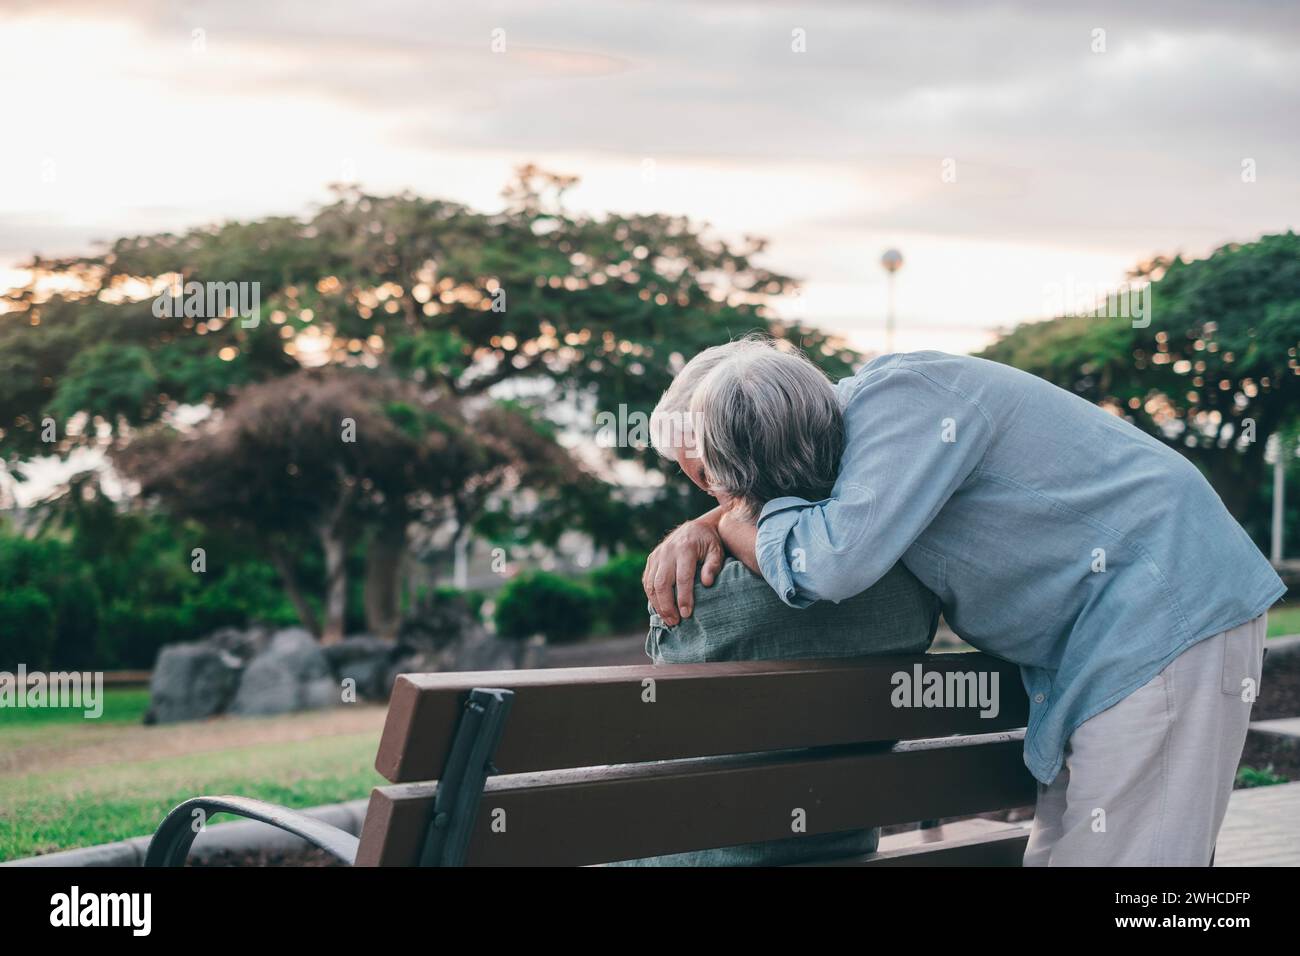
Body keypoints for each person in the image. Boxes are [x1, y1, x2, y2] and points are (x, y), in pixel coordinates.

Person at [643, 336, 1283, 866]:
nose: (724, 491)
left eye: (709, 472)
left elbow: (827, 567)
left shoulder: (902, 399)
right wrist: (707, 525)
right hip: (1118, 647)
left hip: (1164, 614)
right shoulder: (868, 469)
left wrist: (723, 526)